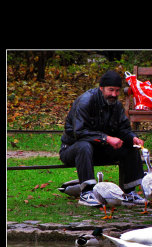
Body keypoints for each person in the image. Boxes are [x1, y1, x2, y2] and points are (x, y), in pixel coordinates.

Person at [59, 70, 146, 207]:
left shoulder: (116, 105)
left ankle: (130, 193)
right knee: (84, 145)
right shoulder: (85, 101)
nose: (114, 94)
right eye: (110, 90)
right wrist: (107, 138)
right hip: (72, 150)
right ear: (101, 88)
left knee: (130, 146)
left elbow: (123, 129)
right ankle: (86, 193)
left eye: (117, 91)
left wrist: (133, 138)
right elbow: (79, 132)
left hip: (100, 150)